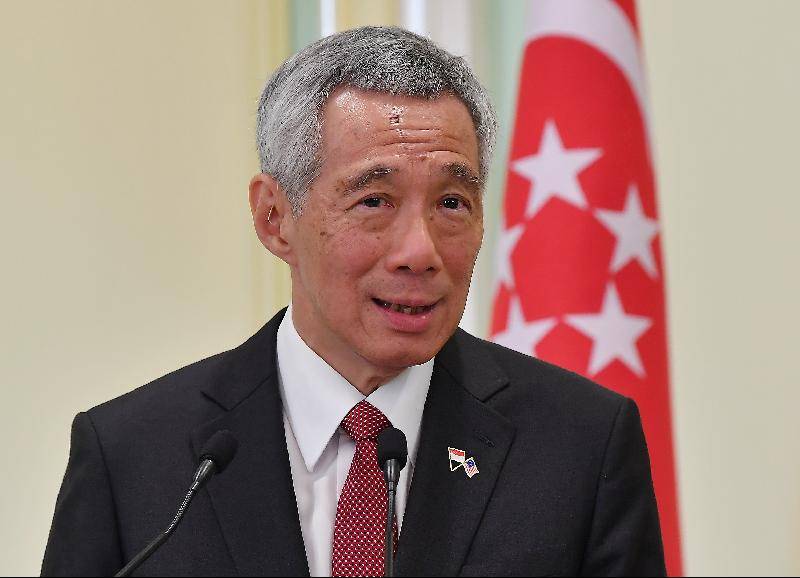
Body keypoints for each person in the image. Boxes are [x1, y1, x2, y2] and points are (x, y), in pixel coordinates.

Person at [41, 26, 665, 577]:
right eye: (374, 201)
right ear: (274, 217)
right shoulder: (134, 456)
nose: (420, 251)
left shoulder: (581, 445)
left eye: (452, 203)